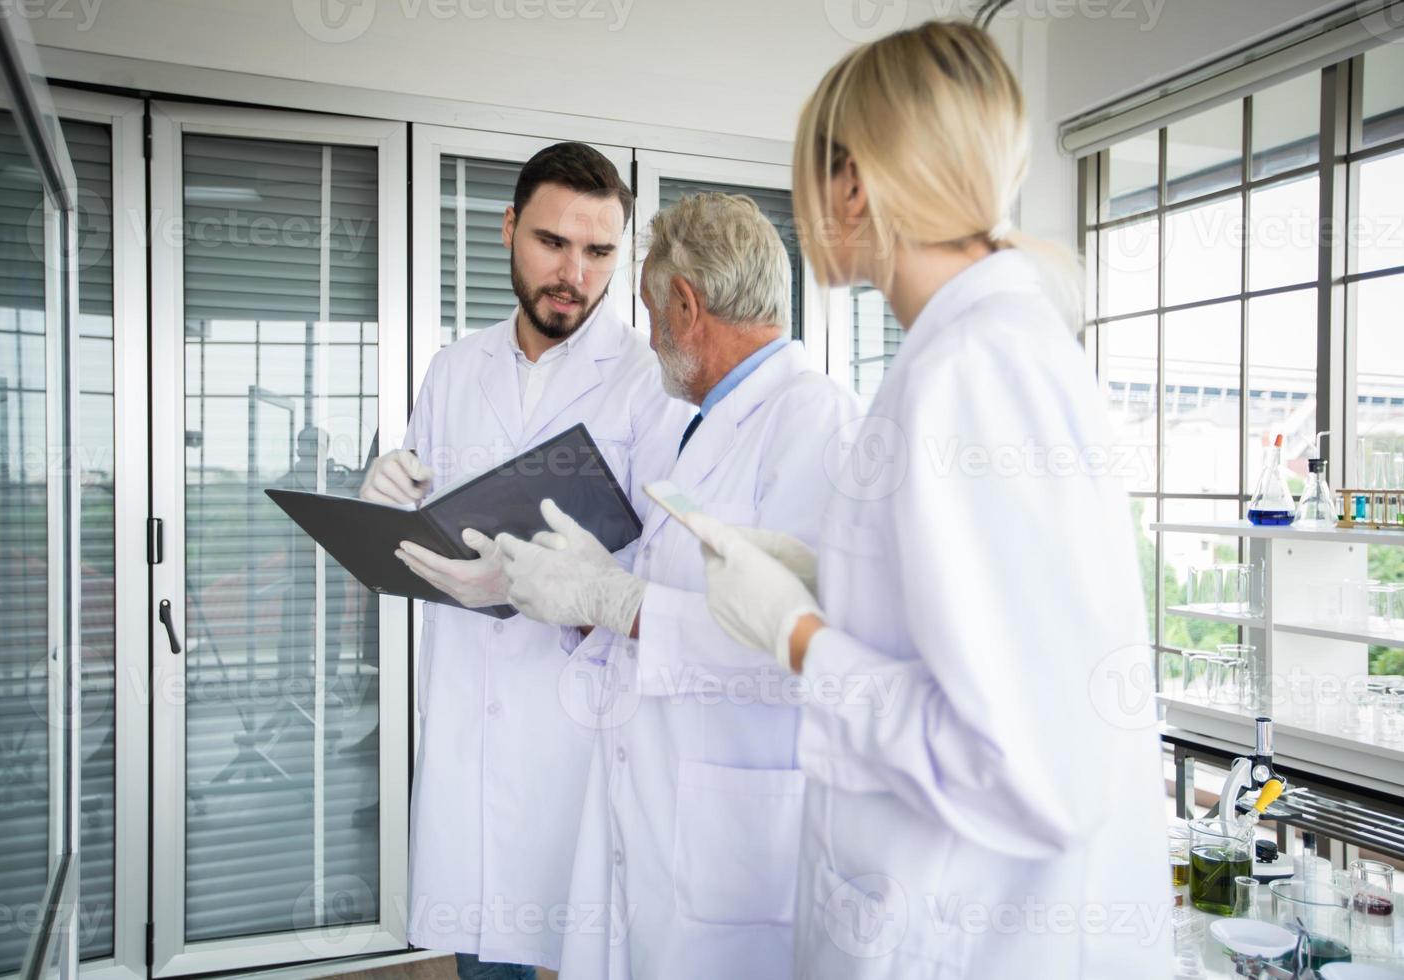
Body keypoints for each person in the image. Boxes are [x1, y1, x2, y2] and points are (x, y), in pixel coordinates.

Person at [690, 23, 1172, 979]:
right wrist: (827, 585)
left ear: (854, 185)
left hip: (970, 934)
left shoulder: (975, 371)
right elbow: (988, 632)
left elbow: (1028, 766)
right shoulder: (975, 352)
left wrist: (800, 638)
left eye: (807, 177)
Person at [491, 193, 860, 979]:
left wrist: (616, 601)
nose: (650, 336)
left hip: (735, 838)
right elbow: (685, 594)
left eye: (652, 310)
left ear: (684, 305)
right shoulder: (705, 424)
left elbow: (796, 643)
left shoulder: (813, 424)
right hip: (664, 801)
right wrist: (592, 588)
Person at [359, 142, 689, 979]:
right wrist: (385, 504)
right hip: (473, 710)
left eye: (600, 252)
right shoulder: (452, 370)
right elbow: (419, 536)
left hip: (585, 725)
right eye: (551, 242)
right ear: (508, 229)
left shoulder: (650, 382)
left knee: (597, 946)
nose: (573, 273)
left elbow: (673, 581)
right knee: (488, 957)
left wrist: (565, 590)